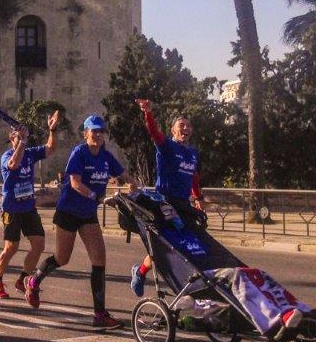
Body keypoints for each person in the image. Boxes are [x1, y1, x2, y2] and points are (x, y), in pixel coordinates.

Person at [25, 115, 136, 328]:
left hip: (88, 214)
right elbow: (75, 183)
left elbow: (123, 174)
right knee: (62, 258)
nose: (98, 134)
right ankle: (34, 280)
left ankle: (100, 314)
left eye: (101, 131)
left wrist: (132, 184)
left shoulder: (106, 156)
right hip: (68, 211)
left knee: (99, 260)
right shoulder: (79, 153)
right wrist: (98, 197)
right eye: (94, 131)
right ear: (85, 134)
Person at [129, 99, 208, 297]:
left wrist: (198, 197)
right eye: (181, 125)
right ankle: (139, 272)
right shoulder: (167, 147)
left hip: (183, 204)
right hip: (164, 201)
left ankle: (195, 284)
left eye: (188, 126)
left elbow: (194, 177)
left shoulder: (192, 153)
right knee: (164, 245)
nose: (186, 128)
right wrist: (148, 112)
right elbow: (154, 133)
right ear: (173, 131)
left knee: (191, 244)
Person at [0, 112, 60, 301]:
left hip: (28, 207)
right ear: (11, 138)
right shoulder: (6, 156)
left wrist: (52, 130)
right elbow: (13, 164)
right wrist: (21, 142)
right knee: (11, 247)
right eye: (16, 136)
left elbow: (50, 148)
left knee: (38, 245)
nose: (20, 139)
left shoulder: (30, 154)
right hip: (11, 208)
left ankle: (22, 279)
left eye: (22, 136)